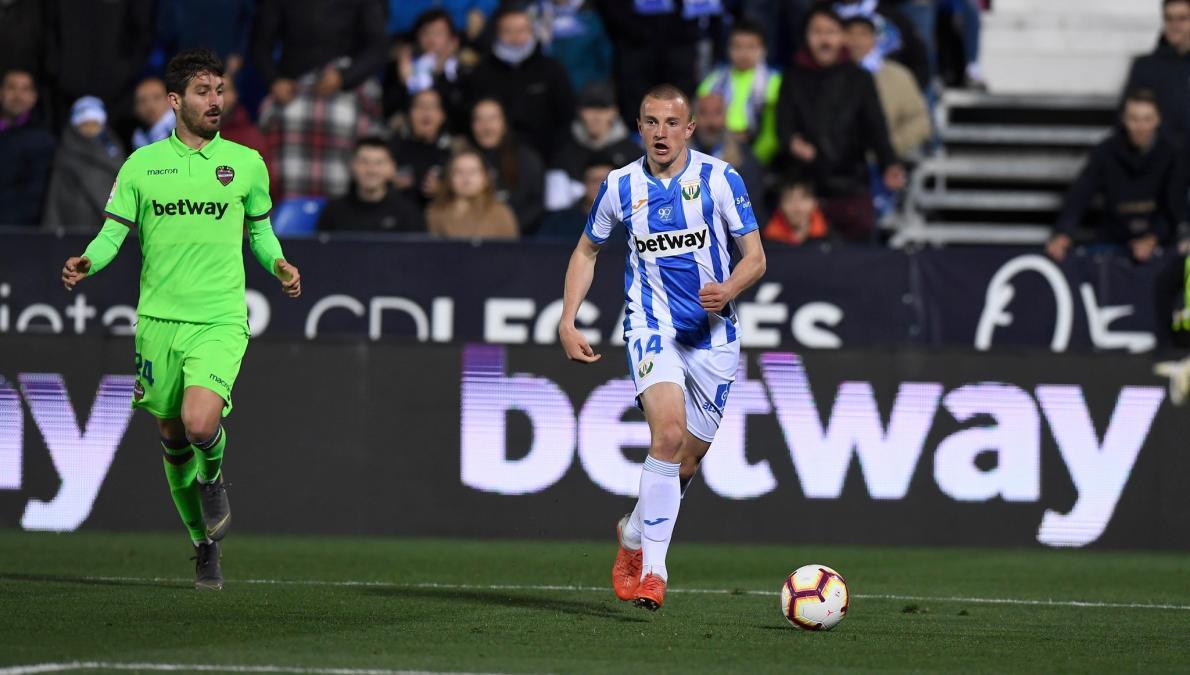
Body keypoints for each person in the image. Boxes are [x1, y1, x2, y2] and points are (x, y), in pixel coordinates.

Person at [59, 49, 301, 591]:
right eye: (202, 91)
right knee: (171, 435)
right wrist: (88, 261)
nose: (215, 101)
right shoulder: (141, 166)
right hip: (158, 322)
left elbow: (260, 232)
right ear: (175, 100)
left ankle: (212, 480)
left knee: (198, 424)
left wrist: (278, 263)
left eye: (220, 90)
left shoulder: (246, 163)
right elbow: (113, 233)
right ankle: (203, 545)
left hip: (218, 318)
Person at [558, 84, 766, 611]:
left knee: (686, 463)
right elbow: (586, 251)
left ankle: (632, 533)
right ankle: (654, 571)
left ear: (689, 128)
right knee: (667, 435)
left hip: (713, 336)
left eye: (672, 123)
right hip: (652, 327)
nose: (661, 133)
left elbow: (756, 257)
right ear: (639, 127)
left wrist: (729, 288)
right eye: (651, 122)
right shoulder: (620, 185)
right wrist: (567, 319)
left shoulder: (720, 178)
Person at [775, 5, 904, 242]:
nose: (824, 40)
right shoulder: (792, 76)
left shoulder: (859, 77)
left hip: (851, 183)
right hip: (806, 189)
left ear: (842, 36)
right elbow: (783, 124)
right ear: (806, 36)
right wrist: (793, 143)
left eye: (831, 32)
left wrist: (889, 163)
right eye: (817, 32)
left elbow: (876, 127)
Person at [253, 0, 388, 198]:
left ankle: (343, 206)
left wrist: (344, 77)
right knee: (278, 118)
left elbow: (377, 48)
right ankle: (285, 207)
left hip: (347, 84)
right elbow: (260, 45)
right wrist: (273, 81)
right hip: (292, 86)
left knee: (346, 118)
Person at [1046, 88, 1187, 265]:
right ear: (1123, 119)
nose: (1140, 127)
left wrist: (1153, 238)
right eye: (1134, 119)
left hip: (1159, 241)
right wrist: (1063, 233)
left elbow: (1175, 205)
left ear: (1157, 120)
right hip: (1113, 239)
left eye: (1147, 119)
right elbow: (1081, 193)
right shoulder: (1105, 151)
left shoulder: (1173, 153)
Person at [465, 6, 575, 162]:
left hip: (546, 157)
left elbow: (566, 117)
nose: (516, 37)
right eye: (508, 31)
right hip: (493, 159)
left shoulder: (551, 69)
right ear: (497, 33)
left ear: (532, 31)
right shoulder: (482, 73)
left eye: (522, 30)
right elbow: (471, 117)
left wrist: (557, 162)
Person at [696, 19, 782, 165]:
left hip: (754, 148)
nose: (743, 53)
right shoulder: (715, 79)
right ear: (728, 49)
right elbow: (698, 115)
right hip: (718, 144)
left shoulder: (773, 81)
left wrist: (756, 159)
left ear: (763, 49)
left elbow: (772, 133)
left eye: (751, 47)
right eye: (737, 47)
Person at [845, 15, 931, 160]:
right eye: (850, 34)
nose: (856, 41)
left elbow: (920, 122)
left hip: (884, 163)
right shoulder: (830, 74)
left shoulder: (898, 75)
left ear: (874, 39)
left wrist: (886, 149)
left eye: (863, 34)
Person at [547, 83, 641, 211]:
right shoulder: (563, 155)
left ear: (614, 111)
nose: (596, 117)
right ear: (580, 112)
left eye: (603, 109)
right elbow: (555, 206)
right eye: (590, 108)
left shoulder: (634, 154)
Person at [42, 97, 126, 232]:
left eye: (94, 124)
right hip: (77, 227)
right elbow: (55, 196)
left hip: (111, 227)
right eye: (85, 124)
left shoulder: (115, 149)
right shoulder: (65, 155)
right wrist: (52, 229)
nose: (90, 129)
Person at [318, 137, 425, 233]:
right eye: (364, 162)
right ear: (352, 166)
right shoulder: (334, 211)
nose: (371, 170)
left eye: (379, 163)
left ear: (391, 168)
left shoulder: (408, 213)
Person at [387, 9, 469, 133]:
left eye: (438, 33)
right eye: (425, 33)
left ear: (453, 41)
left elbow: (461, 114)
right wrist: (404, 83)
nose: (431, 39)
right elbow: (388, 110)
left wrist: (439, 75)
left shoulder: (463, 72)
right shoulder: (401, 67)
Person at [471, 97, 545, 234]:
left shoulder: (526, 159)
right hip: (468, 236)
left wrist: (506, 228)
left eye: (492, 119)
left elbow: (536, 203)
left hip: (515, 237)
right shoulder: (464, 160)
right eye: (479, 119)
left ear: (504, 123)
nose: (486, 127)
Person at [690, 92, 767, 224]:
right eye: (703, 113)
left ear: (726, 116)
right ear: (693, 119)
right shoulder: (677, 157)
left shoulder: (743, 157)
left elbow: (751, 210)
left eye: (717, 113)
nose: (711, 122)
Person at [1123, 0, 1190, 149]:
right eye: (1169, 18)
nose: (1175, 25)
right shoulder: (1144, 67)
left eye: (1182, 18)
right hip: (1158, 158)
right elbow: (1127, 118)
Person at [0, 69, 55, 227]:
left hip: (22, 231)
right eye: (12, 87)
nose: (18, 95)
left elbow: (35, 195)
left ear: (33, 97)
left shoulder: (44, 140)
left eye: (25, 89)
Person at [426, 148, 518, 238]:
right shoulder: (435, 212)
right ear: (449, 178)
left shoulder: (501, 213)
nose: (466, 178)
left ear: (485, 178)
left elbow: (512, 246)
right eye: (459, 172)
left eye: (473, 171)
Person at [391, 88, 454, 208]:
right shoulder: (392, 148)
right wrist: (389, 182)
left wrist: (444, 191)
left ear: (442, 115)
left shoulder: (453, 152)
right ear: (410, 114)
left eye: (432, 106)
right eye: (420, 106)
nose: (426, 112)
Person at [537, 154, 613, 239]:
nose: (600, 187)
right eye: (594, 181)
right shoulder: (560, 221)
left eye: (606, 182)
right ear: (585, 184)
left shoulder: (624, 222)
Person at [762, 180, 829, 245]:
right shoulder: (766, 242)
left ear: (815, 203)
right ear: (779, 205)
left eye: (804, 199)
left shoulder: (828, 238)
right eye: (789, 200)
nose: (797, 208)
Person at [132, 77, 177, 149]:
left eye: (157, 97)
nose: (150, 106)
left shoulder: (182, 128)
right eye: (142, 101)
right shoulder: (138, 138)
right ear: (135, 108)